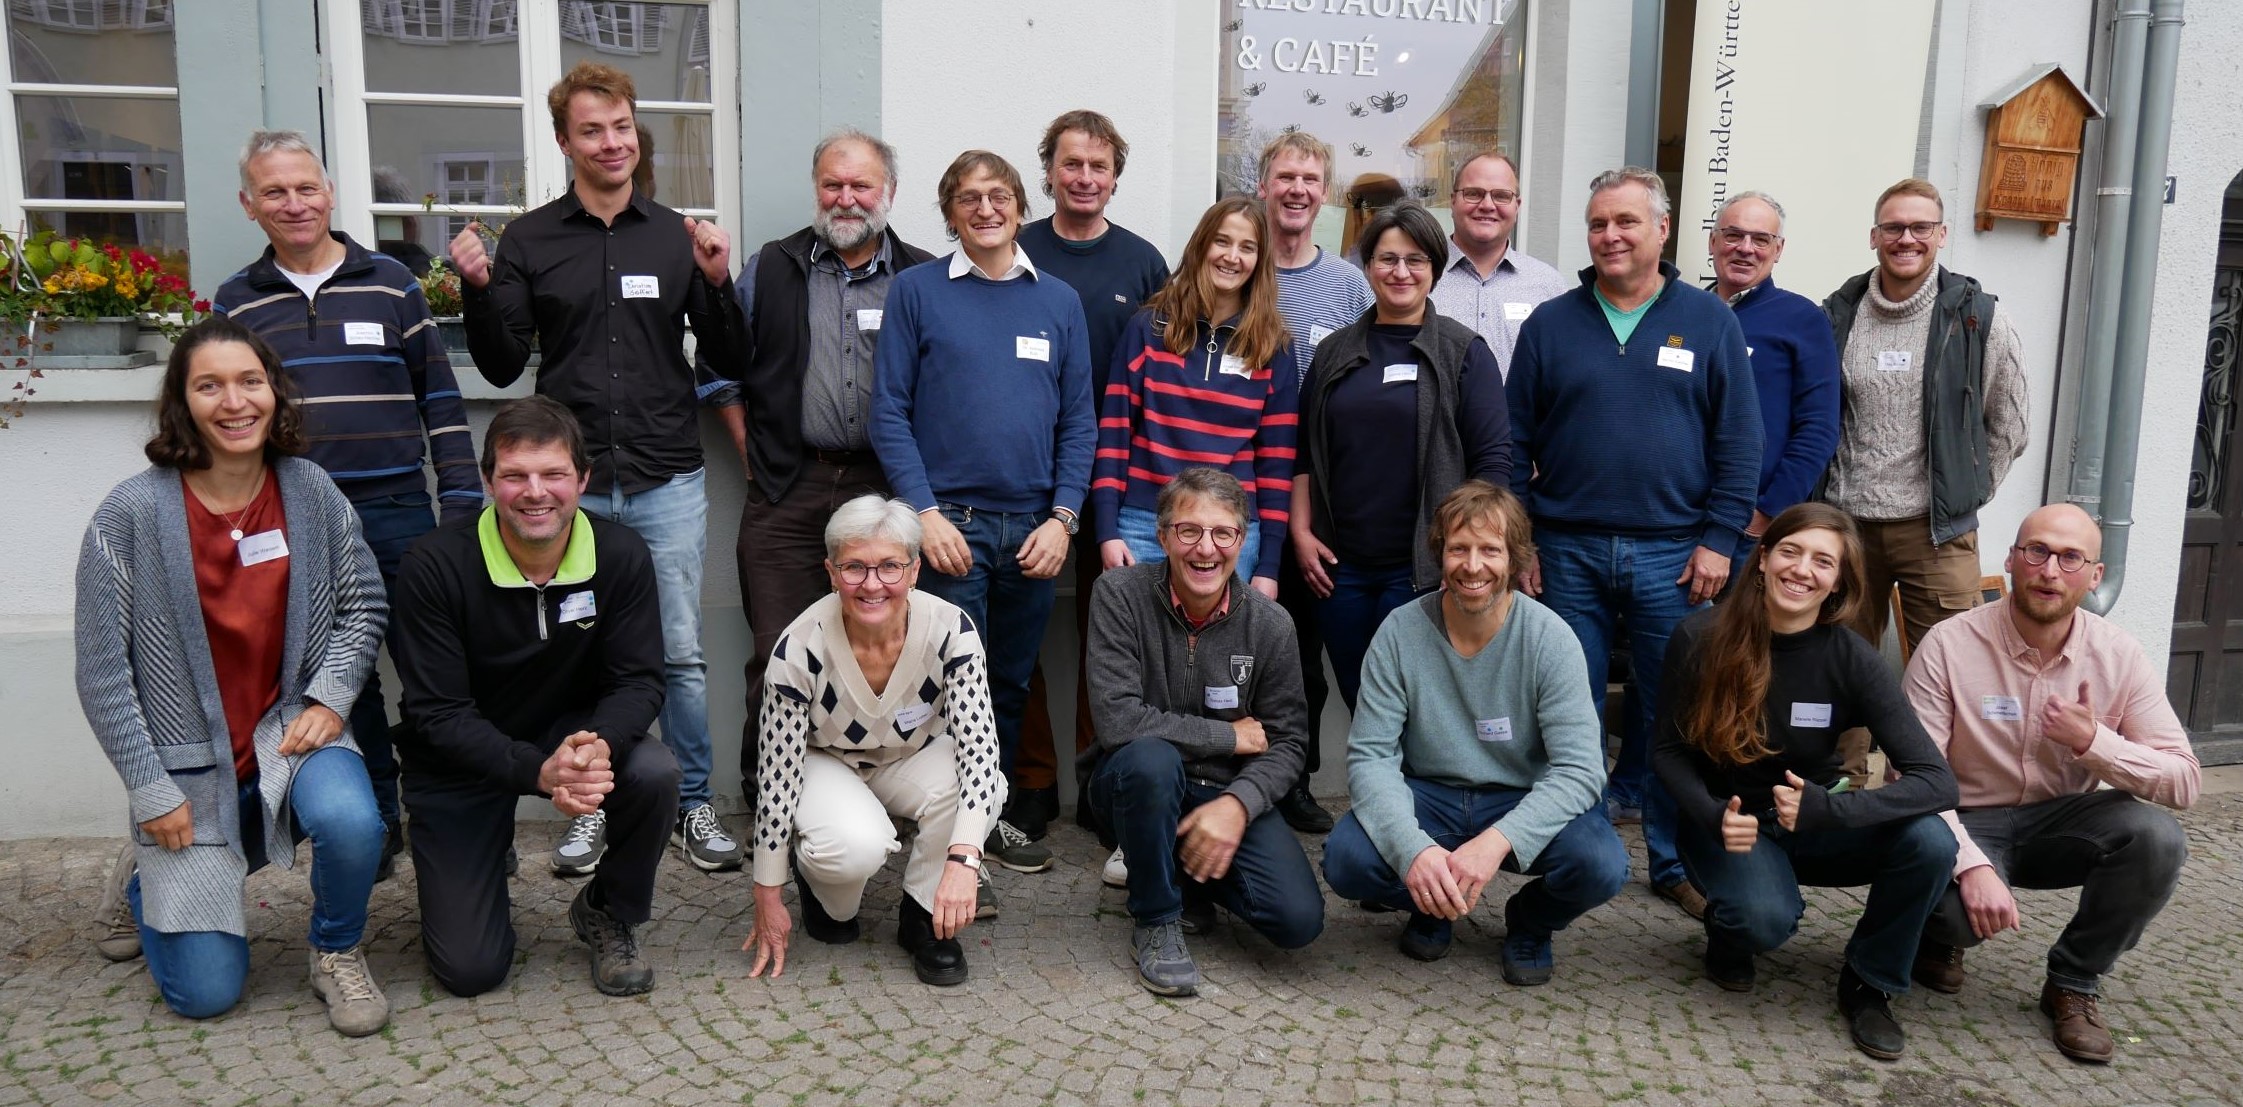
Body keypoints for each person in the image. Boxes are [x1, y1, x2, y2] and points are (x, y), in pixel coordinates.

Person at [449, 60, 745, 876]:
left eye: (620, 128)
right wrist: (477, 288)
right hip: (567, 488)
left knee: (678, 650)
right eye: (591, 130)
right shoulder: (531, 240)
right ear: (563, 141)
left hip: (665, 476)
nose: (610, 143)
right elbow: (504, 365)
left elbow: (729, 355)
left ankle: (688, 802)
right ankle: (588, 804)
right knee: (576, 650)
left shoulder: (674, 234)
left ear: (633, 131)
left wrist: (718, 283)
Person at [76, 318, 390, 1035]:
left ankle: (335, 949)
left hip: (289, 734)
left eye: (250, 381)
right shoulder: (129, 513)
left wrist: (330, 697)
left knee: (351, 821)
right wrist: (151, 789)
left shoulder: (307, 489)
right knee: (205, 994)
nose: (234, 401)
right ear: (182, 403)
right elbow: (101, 673)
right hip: (187, 769)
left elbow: (363, 603)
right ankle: (139, 877)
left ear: (273, 392)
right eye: (208, 385)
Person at [211, 129, 482, 889]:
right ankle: (381, 814)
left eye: (305, 187)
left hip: (399, 507)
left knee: (429, 665)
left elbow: (441, 398)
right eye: (274, 192)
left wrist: (459, 502)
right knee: (342, 675)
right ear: (249, 205)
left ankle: (445, 810)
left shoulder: (393, 281)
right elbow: (231, 418)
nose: (293, 203)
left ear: (329, 194)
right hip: (298, 519)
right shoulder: (238, 301)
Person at [1506, 166, 1762, 922]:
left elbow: (1739, 441)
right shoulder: (1551, 324)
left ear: (1662, 229)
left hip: (1675, 553)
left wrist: (1719, 538)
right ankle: (1576, 850)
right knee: (1569, 704)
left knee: (1673, 712)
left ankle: (1671, 858)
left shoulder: (1709, 321)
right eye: (1596, 224)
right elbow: (1512, 442)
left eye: (1624, 221)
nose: (1608, 235)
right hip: (1565, 549)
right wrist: (1521, 540)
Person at [389, 396, 680, 998]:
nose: (535, 492)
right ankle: (479, 854)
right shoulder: (433, 565)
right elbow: (434, 712)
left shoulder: (621, 555)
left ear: (583, 479)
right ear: (488, 479)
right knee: (471, 972)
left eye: (553, 474)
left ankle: (608, 909)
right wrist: (536, 772)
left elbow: (639, 679)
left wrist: (599, 744)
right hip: (457, 761)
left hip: (569, 737)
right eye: (516, 475)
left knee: (653, 770)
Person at [1654, 503, 1958, 1060]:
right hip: (1731, 823)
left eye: (1823, 561)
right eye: (1790, 551)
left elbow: (1937, 783)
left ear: (1839, 581)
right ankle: (1730, 933)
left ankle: (1871, 982)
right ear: (1764, 559)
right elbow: (1667, 753)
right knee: (1763, 921)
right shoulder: (1699, 638)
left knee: (1931, 840)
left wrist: (1829, 811)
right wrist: (1709, 814)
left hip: (1817, 820)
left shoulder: (1853, 658)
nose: (1802, 570)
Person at [1904, 503, 2198, 1064]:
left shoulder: (2119, 655)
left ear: (2095, 575)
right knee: (1950, 910)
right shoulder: (1947, 644)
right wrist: (1971, 866)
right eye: (2036, 551)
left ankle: (2074, 981)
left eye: (2070, 558)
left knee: (2156, 837)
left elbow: (2184, 781)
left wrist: (2095, 744)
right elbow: (1912, 778)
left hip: (2062, 824)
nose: (2049, 570)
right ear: (2012, 560)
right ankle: (1938, 938)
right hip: (1964, 819)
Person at [869, 149, 1095, 876]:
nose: (985, 209)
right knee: (942, 686)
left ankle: (982, 816)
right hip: (949, 529)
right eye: (967, 198)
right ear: (949, 214)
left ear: (1020, 207)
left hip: (1032, 531)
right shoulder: (916, 291)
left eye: (998, 195)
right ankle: (939, 834)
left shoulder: (1057, 301)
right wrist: (924, 515)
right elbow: (889, 414)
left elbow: (1079, 423)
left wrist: (1063, 518)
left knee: (1007, 684)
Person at [706, 129, 934, 811]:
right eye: (833, 184)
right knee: (777, 651)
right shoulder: (770, 267)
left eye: (861, 185)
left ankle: (866, 796)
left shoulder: (920, 277)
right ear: (816, 189)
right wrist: (753, 455)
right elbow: (720, 369)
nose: (846, 198)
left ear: (888, 192)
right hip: (786, 483)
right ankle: (768, 797)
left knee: (879, 650)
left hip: (883, 490)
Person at [1321, 481, 1625, 985]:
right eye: (1459, 548)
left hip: (1519, 795)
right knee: (1347, 862)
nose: (1473, 565)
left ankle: (1530, 922)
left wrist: (1496, 843)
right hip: (1429, 795)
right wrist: (1414, 853)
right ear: (1440, 555)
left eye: (1490, 549)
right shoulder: (1399, 632)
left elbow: (1580, 769)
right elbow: (1372, 757)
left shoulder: (1550, 639)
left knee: (1602, 865)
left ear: (1516, 559)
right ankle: (1433, 902)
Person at [740, 497, 1005, 986]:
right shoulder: (799, 646)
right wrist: (768, 893)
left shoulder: (951, 629)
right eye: (854, 567)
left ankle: (923, 917)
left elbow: (979, 749)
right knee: (850, 867)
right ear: (831, 571)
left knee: (984, 783)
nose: (873, 584)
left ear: (915, 570)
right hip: (826, 764)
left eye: (889, 566)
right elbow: (776, 775)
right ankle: (820, 886)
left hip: (909, 759)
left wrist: (965, 860)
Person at [1084, 469, 1324, 996]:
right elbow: (1120, 721)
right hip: (1131, 785)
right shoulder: (1118, 595)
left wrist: (1238, 804)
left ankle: (1178, 875)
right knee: (1151, 761)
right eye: (1188, 531)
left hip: (1222, 793)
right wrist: (1228, 738)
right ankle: (1156, 918)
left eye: (1223, 533)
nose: (1205, 549)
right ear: (1164, 536)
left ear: (1243, 540)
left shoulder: (1270, 623)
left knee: (1296, 921)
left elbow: (1286, 742)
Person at [1013, 110, 1173, 844]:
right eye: (1070, 164)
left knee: (1111, 633)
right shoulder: (1014, 248)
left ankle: (1101, 770)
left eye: (1098, 167)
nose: (1084, 178)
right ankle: (1034, 777)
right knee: (1023, 630)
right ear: (1047, 170)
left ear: (1114, 177)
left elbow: (1164, 370)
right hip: (1023, 472)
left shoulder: (1143, 263)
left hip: (1115, 476)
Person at [1292, 200, 1512, 712]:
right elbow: (1302, 453)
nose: (1400, 272)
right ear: (1367, 267)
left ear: (1434, 268)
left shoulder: (1464, 352)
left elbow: (1494, 464)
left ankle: (1413, 795)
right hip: (1338, 568)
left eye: (1415, 260)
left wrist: (1474, 554)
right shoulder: (1335, 352)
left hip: (1421, 567)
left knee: (1418, 704)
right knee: (1359, 696)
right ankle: (1380, 792)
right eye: (1387, 259)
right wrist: (1302, 534)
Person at [1820, 178, 2028, 655]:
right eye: (1893, 227)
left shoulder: (1979, 318)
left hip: (1935, 533)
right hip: (1847, 527)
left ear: (1941, 234)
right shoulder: (1837, 314)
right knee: (1840, 668)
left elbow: (2010, 423)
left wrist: (1965, 491)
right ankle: (1848, 737)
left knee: (1948, 668)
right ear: (1874, 236)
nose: (1906, 238)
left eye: (1920, 227)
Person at [1255, 130, 1375, 835]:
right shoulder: (1239, 267)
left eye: (1309, 178)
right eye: (1285, 176)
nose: (1297, 189)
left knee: (1311, 653)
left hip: (1330, 494)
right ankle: (1265, 775)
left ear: (1323, 194)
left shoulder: (1350, 284)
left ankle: (1302, 780)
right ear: (1264, 185)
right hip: (1253, 488)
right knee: (1265, 652)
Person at [1092, 196, 1299, 597]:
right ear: (1202, 245)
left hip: (1232, 532)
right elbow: (1114, 436)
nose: (1232, 257)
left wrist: (1270, 564)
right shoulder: (1148, 330)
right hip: (1144, 524)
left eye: (1248, 247)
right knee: (1140, 651)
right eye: (1222, 241)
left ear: (1260, 260)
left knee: (1220, 656)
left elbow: (1277, 466)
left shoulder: (1272, 347)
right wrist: (1106, 530)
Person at [1705, 191, 1840, 573]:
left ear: (1778, 250)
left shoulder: (1802, 319)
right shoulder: (1689, 313)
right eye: (1733, 235)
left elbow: (1819, 428)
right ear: (1712, 242)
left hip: (1751, 529)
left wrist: (1768, 511)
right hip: (1682, 521)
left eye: (1760, 240)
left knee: (1744, 631)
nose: (1746, 248)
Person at [1426, 152, 1570, 380]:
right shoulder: (1417, 277)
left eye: (1501, 196)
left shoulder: (1549, 287)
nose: (1487, 205)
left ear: (1517, 206)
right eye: (1473, 194)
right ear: (1453, 201)